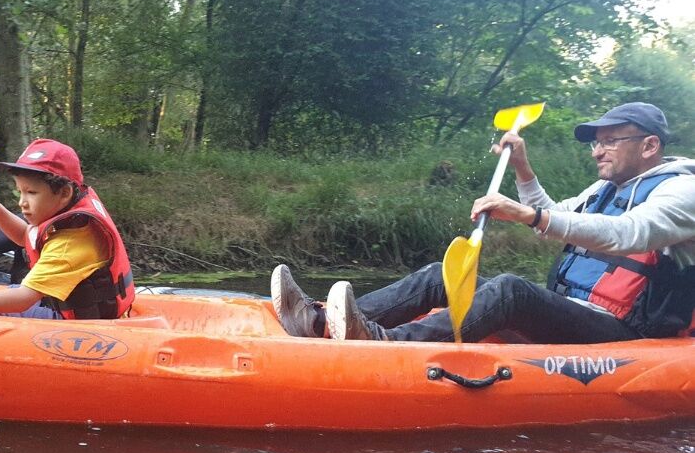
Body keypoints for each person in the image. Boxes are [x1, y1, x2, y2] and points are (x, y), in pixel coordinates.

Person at [271, 102, 695, 343]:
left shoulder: (682, 191)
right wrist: (523, 169)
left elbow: (629, 234)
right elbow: (555, 211)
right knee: (439, 275)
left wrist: (530, 215)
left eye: (610, 141)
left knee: (511, 289)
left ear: (649, 146)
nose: (597, 151)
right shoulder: (608, 188)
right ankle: (320, 321)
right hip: (575, 309)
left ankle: (386, 342)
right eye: (596, 143)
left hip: (626, 331)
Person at [0, 138, 135, 319]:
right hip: (65, 305)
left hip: (77, 326)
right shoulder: (65, 213)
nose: (22, 202)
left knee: (1, 307)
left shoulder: (70, 241)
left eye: (31, 193)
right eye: (20, 191)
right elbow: (24, 236)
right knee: (9, 291)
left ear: (64, 193)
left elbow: (22, 300)